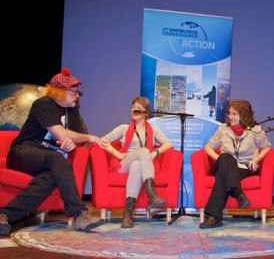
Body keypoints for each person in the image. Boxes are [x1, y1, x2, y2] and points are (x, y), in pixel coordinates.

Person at [0, 67, 104, 235]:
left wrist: (73, 144)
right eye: (74, 92)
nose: (77, 96)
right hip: (23, 153)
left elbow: (75, 137)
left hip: (47, 162)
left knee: (50, 177)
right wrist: (88, 137)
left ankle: (5, 214)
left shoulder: (73, 111)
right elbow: (62, 134)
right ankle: (78, 213)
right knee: (56, 158)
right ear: (59, 92)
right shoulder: (43, 104)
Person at [99, 97, 173, 228]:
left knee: (137, 165)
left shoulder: (154, 129)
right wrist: (117, 153)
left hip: (142, 164)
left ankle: (127, 215)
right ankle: (152, 194)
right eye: (133, 108)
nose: (134, 110)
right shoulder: (124, 128)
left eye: (138, 108)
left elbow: (169, 144)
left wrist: (155, 152)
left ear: (146, 112)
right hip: (123, 164)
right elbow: (101, 141)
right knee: (143, 152)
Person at [199, 99, 272, 229]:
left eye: (234, 114)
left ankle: (214, 217)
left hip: (244, 168)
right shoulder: (223, 129)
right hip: (223, 163)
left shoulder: (255, 130)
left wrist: (256, 159)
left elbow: (267, 147)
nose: (230, 117)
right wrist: (219, 158)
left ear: (243, 116)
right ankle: (238, 193)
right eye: (229, 113)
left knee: (222, 176)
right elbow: (208, 147)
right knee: (226, 157)